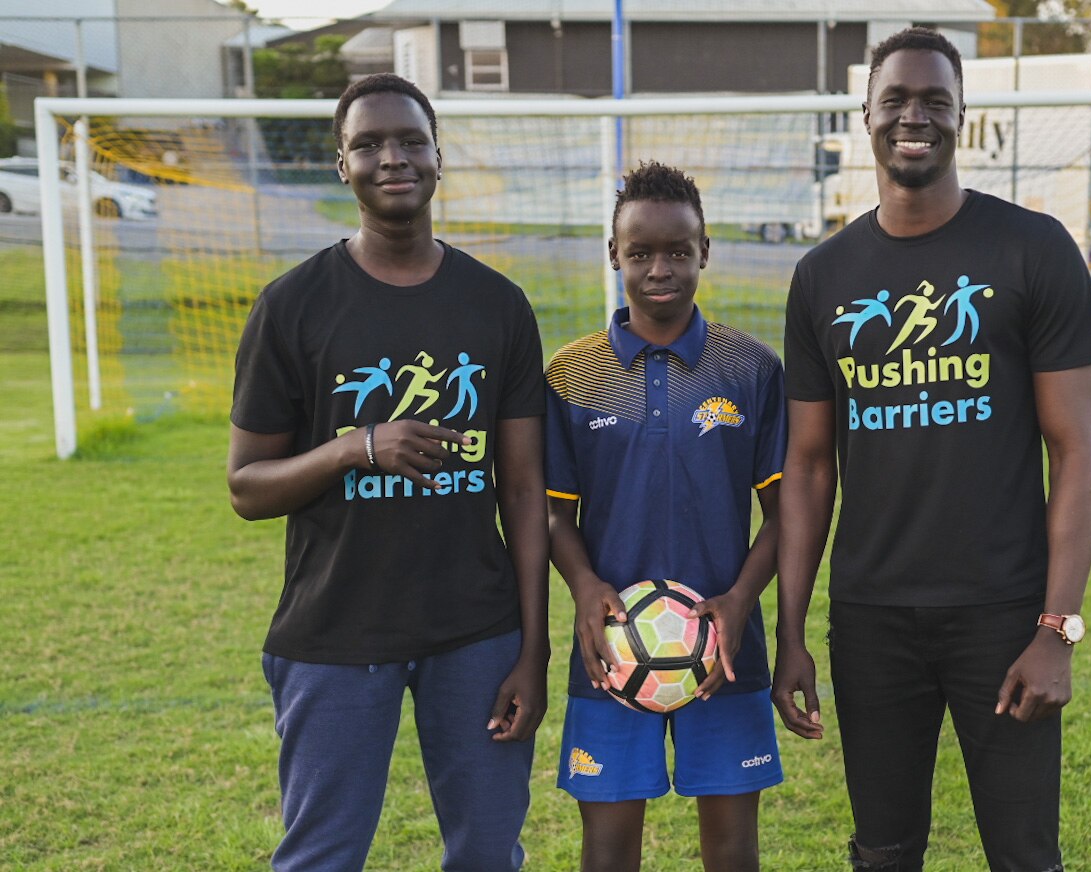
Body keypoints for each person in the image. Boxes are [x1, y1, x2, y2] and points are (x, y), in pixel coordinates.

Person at [774, 27, 1091, 872]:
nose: (913, 117)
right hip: (872, 619)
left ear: (963, 116)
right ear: (867, 116)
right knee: (883, 855)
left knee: (1024, 854)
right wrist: (790, 633)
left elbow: (1076, 455)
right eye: (896, 100)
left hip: (1003, 616)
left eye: (933, 100)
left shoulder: (1032, 250)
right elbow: (808, 467)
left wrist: (1057, 631)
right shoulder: (822, 276)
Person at [226, 73, 549, 872]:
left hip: (476, 632)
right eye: (367, 144)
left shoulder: (498, 305)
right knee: (322, 856)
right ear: (342, 164)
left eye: (409, 140)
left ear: (439, 156)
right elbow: (245, 487)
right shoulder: (292, 305)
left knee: (486, 853)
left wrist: (533, 650)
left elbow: (523, 491)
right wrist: (356, 448)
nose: (391, 157)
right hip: (336, 631)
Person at [545, 161, 786, 872]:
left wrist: (741, 602)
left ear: (705, 251)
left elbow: (784, 514)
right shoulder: (572, 373)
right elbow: (554, 517)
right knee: (609, 849)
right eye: (641, 252)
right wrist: (587, 589)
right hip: (610, 648)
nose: (660, 268)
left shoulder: (749, 369)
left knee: (734, 849)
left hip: (726, 646)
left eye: (679, 251)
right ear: (613, 254)